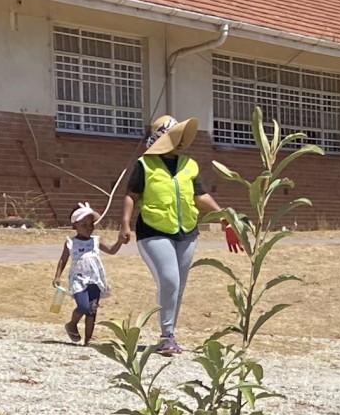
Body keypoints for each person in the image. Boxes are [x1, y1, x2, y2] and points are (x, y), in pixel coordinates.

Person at [104, 113, 228, 356]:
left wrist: (223, 215)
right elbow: (131, 195)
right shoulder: (145, 164)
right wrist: (125, 224)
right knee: (169, 279)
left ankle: (170, 334)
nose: (180, 140)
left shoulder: (189, 164)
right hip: (153, 230)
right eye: (175, 136)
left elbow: (199, 195)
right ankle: (165, 336)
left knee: (178, 285)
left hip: (187, 232)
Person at [53, 201, 107, 343]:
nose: (89, 228)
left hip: (94, 279)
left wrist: (120, 241)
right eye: (84, 225)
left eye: (91, 225)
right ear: (75, 225)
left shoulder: (95, 241)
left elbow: (112, 250)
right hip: (78, 279)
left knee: (92, 310)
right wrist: (57, 276)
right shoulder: (71, 242)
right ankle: (72, 324)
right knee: (83, 306)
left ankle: (88, 340)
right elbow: (63, 259)